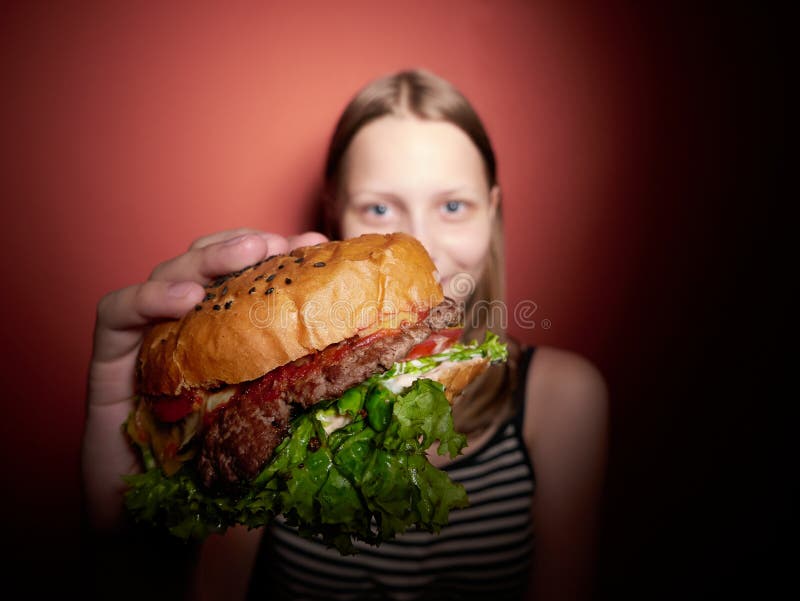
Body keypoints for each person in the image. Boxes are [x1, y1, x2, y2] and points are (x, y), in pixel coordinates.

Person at [82, 69, 608, 601]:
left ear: (492, 210)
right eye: (378, 208)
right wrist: (131, 531)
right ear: (334, 214)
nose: (422, 243)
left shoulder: (563, 397)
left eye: (453, 206)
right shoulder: (267, 428)